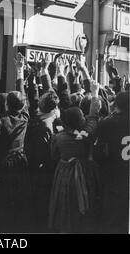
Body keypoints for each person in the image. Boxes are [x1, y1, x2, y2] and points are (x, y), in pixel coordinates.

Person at [48, 80, 101, 233]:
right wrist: (95, 93)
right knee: (83, 203)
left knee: (64, 204)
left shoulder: (58, 137)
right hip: (83, 173)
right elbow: (93, 116)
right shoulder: (85, 134)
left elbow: (53, 156)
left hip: (63, 171)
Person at [94, 91, 129, 233]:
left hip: (114, 174)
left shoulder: (107, 122)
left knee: (113, 218)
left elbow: (99, 153)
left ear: (116, 104)